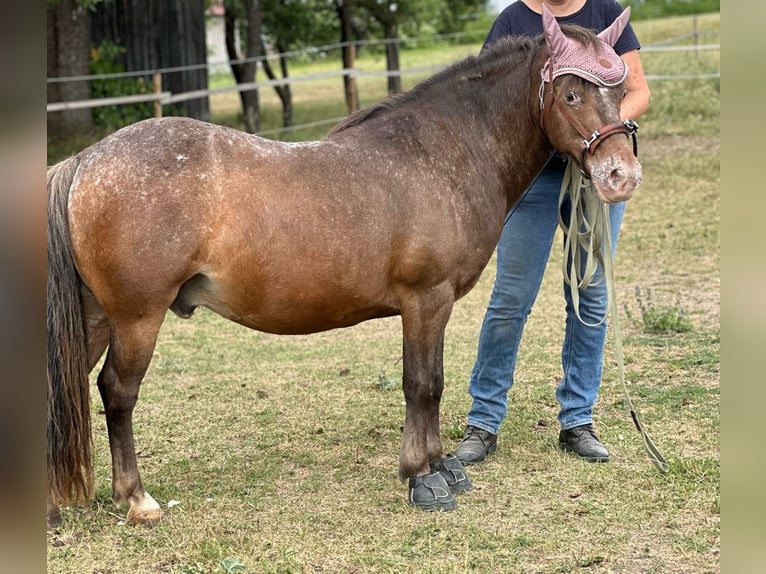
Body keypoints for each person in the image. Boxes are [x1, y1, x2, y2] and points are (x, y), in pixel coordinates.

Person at [454, 0, 651, 466]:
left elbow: (637, 88)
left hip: (592, 176)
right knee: (510, 298)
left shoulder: (606, 11)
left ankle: (577, 419)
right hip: (533, 180)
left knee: (591, 297)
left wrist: (604, 134)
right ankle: (483, 421)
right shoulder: (513, 22)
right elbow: (490, 99)